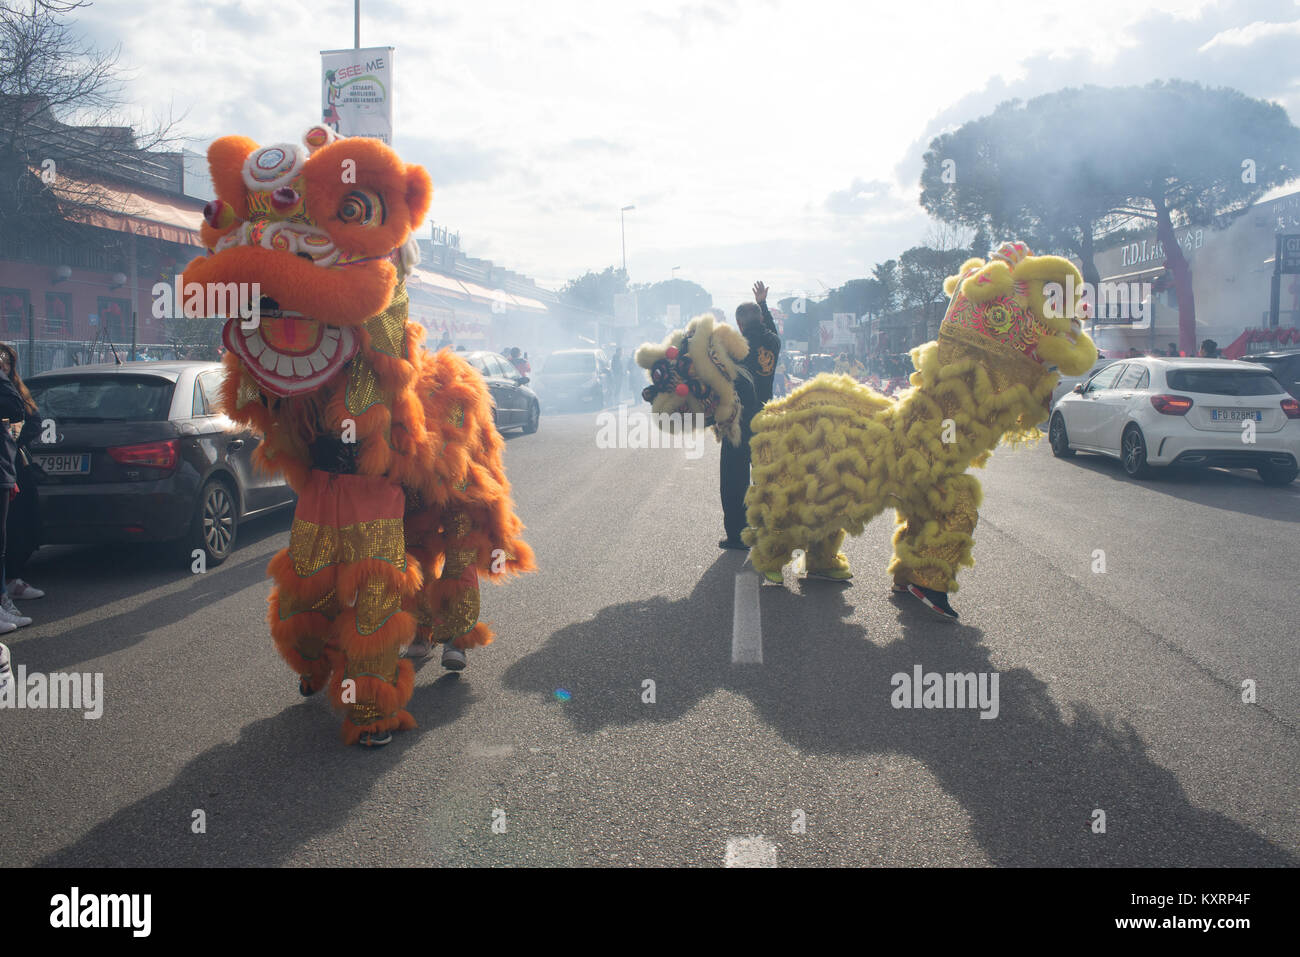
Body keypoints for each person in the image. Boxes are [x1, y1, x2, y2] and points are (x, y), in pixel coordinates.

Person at [719, 281, 781, 549]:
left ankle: (738, 534)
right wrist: (763, 304)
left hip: (739, 421)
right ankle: (772, 528)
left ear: (739, 324)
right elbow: (771, 329)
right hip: (766, 417)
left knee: (734, 479)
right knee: (766, 476)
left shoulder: (736, 347)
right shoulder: (774, 342)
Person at [0, 344, 43, 601]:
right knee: (9, 527)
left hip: (15, 465)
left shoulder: (14, 391)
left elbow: (32, 419)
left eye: (6, 365)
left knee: (21, 523)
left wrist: (14, 440)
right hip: (6, 467)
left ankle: (11, 580)